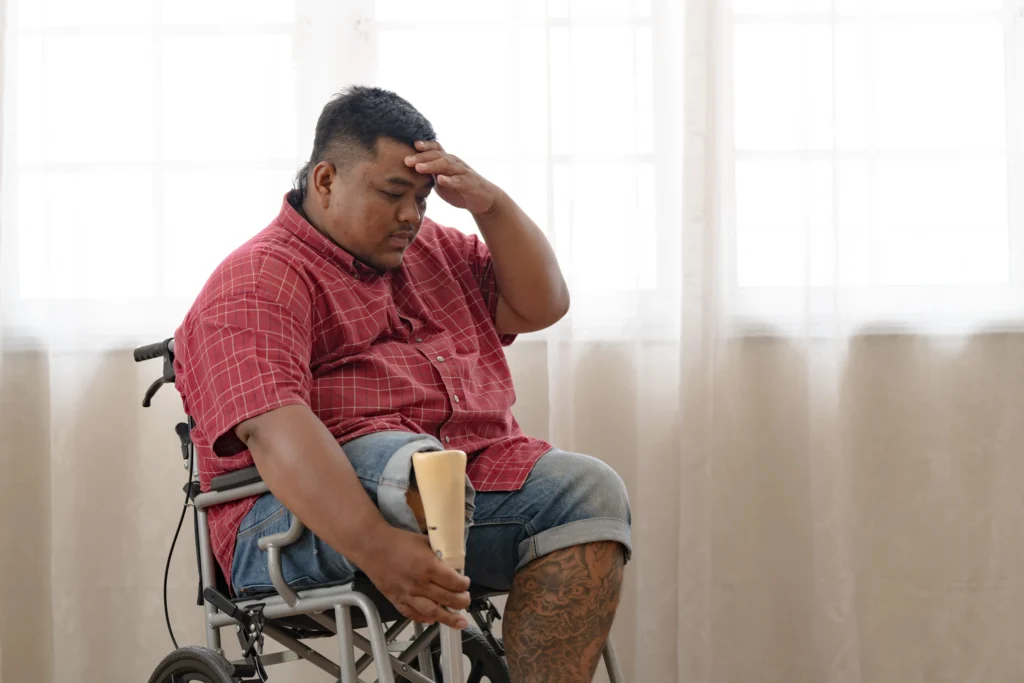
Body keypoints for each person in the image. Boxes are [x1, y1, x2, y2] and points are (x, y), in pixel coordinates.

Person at [173, 85, 631, 682]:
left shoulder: (432, 250)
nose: (412, 214)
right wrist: (375, 546)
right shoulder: (257, 279)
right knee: (417, 463)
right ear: (327, 180)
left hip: (465, 488)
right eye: (394, 194)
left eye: (421, 197)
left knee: (589, 489)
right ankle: (416, 499)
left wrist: (489, 205)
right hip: (291, 519)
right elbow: (274, 430)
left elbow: (542, 304)